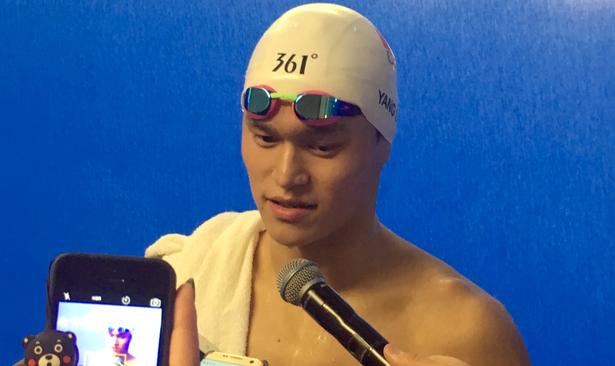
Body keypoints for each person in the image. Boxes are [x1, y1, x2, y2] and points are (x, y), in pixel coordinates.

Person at [150, 3, 531, 366]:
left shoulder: (466, 334)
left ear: (382, 143)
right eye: (265, 138)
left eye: (323, 146)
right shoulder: (185, 280)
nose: (286, 175)